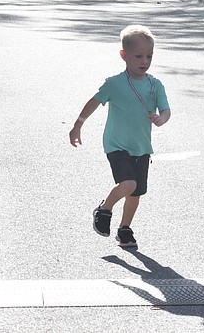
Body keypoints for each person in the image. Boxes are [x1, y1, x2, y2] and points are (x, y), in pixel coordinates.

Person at [69, 25, 171, 248]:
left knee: (135, 193)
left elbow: (165, 109)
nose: (144, 61)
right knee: (128, 183)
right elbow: (94, 101)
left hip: (142, 147)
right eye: (138, 56)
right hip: (116, 144)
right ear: (124, 56)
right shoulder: (114, 83)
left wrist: (162, 118)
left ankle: (124, 229)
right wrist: (78, 125)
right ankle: (104, 209)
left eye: (149, 56)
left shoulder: (155, 85)